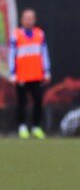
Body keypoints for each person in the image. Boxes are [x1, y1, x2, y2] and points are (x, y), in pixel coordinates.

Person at [8, 9, 51, 139]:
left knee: (38, 101)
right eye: (26, 18)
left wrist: (47, 71)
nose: (28, 20)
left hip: (36, 75)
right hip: (21, 76)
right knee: (22, 102)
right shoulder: (16, 35)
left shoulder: (40, 34)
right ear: (22, 20)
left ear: (34, 19)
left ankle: (36, 127)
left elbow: (44, 53)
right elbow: (11, 55)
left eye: (31, 18)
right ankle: (22, 127)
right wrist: (12, 73)